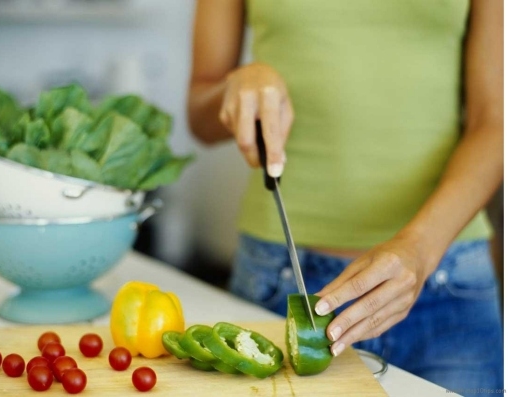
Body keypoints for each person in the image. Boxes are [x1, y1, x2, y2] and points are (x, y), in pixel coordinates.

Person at [186, 0, 503, 394]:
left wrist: (420, 249)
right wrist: (237, 85)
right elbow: (200, 113)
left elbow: (494, 121)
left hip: (445, 283)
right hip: (280, 278)